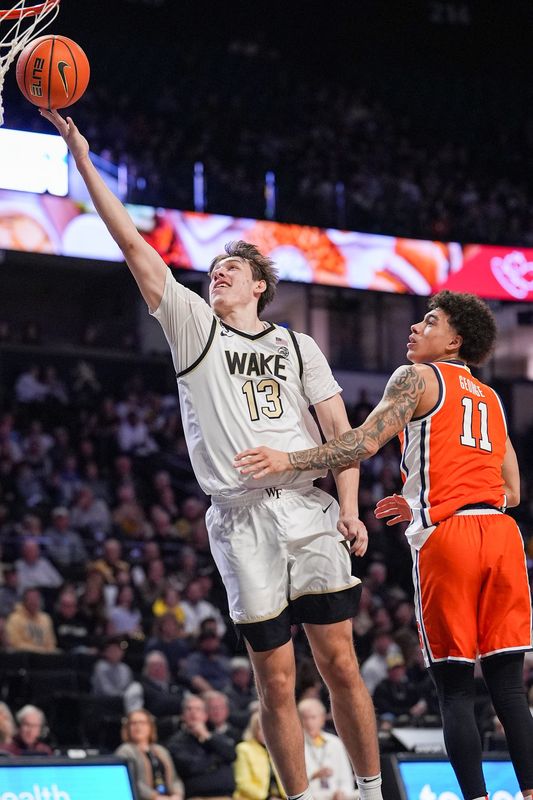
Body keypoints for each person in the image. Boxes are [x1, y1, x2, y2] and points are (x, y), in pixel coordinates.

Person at [41, 109, 382, 800]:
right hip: (240, 520)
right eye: (213, 269)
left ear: (259, 285)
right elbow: (132, 242)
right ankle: (298, 796)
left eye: (232, 268)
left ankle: (370, 791)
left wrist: (347, 506)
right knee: (275, 679)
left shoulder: (295, 345)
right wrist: (81, 154)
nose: (217, 274)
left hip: (309, 507)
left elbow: (345, 437)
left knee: (341, 664)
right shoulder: (194, 329)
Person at [234, 290, 533, 800]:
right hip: (504, 537)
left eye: (430, 321)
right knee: (508, 686)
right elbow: (512, 491)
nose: (416, 327)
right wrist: (419, 500)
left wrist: (288, 459)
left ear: (454, 340)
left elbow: (360, 443)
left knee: (455, 686)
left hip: (453, 539)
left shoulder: (414, 376)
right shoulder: (492, 398)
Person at [165, 693, 236, 800]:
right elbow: (191, 767)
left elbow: (231, 754)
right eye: (189, 709)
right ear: (183, 715)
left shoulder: (216, 736)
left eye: (198, 709)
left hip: (225, 796)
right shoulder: (176, 742)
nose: (193, 713)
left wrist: (206, 736)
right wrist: (217, 759)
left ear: (205, 715)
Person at [116, 708, 184, 800]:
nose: (138, 727)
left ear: (150, 727)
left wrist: (177, 795)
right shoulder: (124, 751)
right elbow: (130, 782)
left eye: (142, 723)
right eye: (133, 723)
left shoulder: (161, 750)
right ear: (127, 728)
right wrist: (155, 797)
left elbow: (175, 779)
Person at [298, 699, 356, 800]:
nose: (309, 722)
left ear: (322, 719)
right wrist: (314, 776)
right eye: (304, 718)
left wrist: (341, 793)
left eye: (313, 717)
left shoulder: (335, 742)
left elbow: (346, 779)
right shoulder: (297, 745)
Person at [233, 711, 284, 800]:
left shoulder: (279, 749)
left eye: (270, 728)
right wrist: (268, 798)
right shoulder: (243, 749)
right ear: (254, 729)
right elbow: (243, 783)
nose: (267, 733)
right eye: (262, 729)